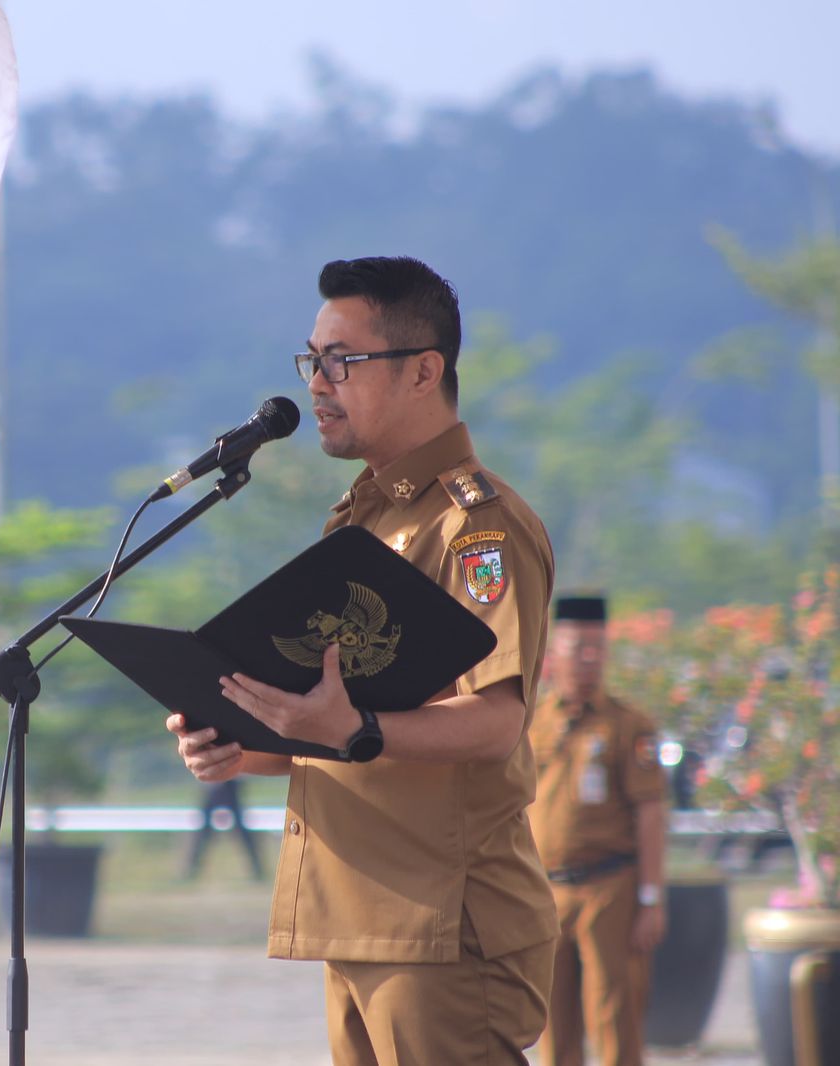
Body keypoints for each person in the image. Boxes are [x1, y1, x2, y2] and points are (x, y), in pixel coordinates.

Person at [167, 255, 558, 1065]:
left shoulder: (474, 528)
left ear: (424, 372)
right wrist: (243, 745)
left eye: (342, 360)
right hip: (359, 917)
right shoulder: (363, 524)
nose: (317, 382)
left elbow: (495, 722)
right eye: (312, 360)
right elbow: (342, 729)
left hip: (442, 926)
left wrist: (357, 728)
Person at [527, 594, 668, 1066]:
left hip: (610, 888)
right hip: (547, 891)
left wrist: (650, 898)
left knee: (614, 1015)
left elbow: (650, 811)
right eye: (578, 648)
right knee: (552, 1022)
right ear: (553, 655)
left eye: (597, 649)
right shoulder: (531, 722)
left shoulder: (628, 725)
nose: (589, 660)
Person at [184, 778, 266, 881]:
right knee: (202, 832)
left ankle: (257, 868)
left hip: (227, 783)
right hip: (214, 784)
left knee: (243, 831)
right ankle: (191, 868)